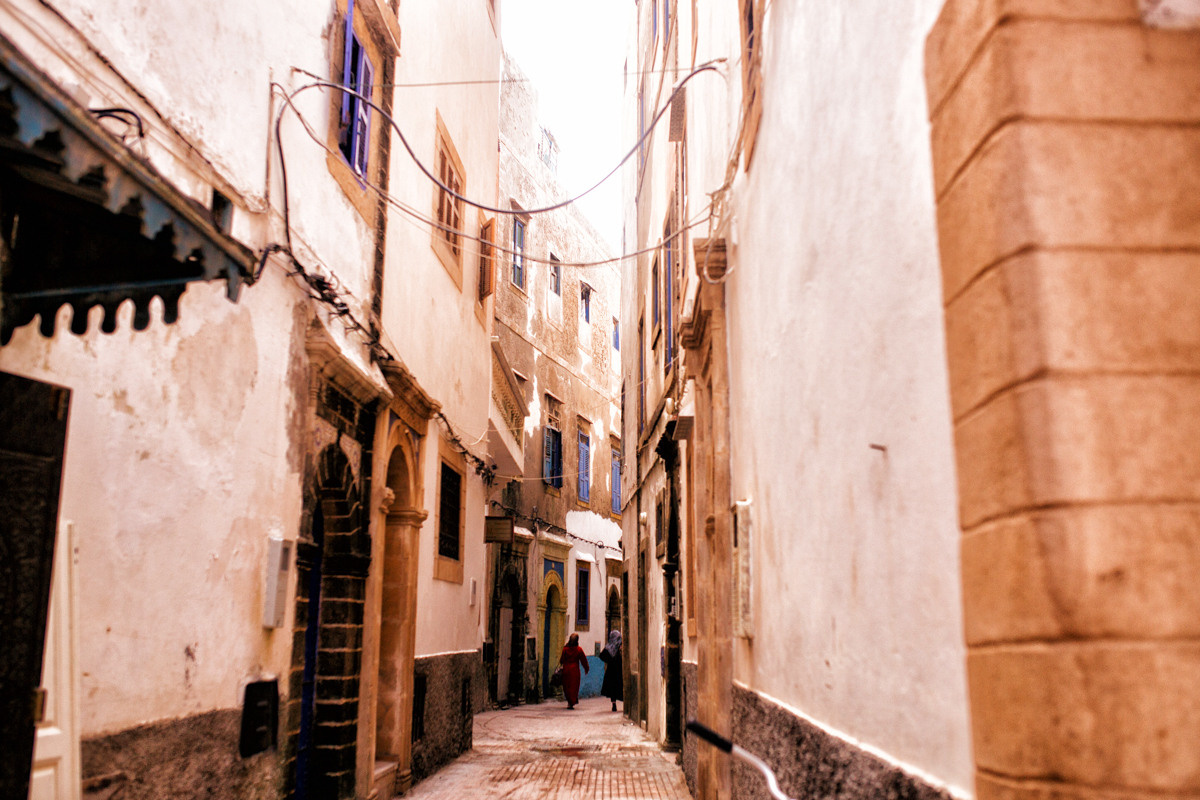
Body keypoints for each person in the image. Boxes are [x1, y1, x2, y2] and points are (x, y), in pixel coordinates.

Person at [558, 632, 589, 709]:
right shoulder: (579, 649)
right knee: (574, 687)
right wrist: (586, 668)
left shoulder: (565, 649)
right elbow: (583, 660)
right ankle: (572, 701)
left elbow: (561, 660)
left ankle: (569, 701)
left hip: (566, 670)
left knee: (567, 686)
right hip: (575, 671)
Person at [598, 629, 623, 712]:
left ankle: (614, 703)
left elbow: (601, 656)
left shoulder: (608, 647)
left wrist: (609, 661)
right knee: (619, 686)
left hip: (611, 671)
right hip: (618, 671)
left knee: (613, 687)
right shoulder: (619, 646)